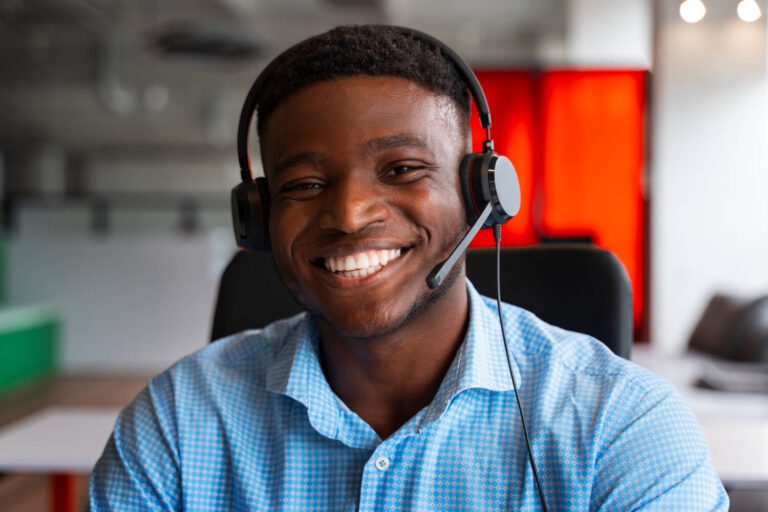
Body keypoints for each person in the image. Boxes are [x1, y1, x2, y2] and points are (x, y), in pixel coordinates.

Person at [89, 25, 728, 510]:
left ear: (481, 195)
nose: (348, 213)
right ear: (258, 218)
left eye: (401, 169)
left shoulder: (622, 426)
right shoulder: (176, 423)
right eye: (304, 183)